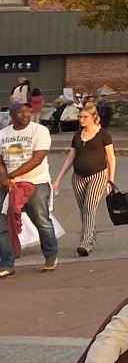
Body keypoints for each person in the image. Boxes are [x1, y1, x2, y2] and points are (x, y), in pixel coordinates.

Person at [0, 94, 59, 273]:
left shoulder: (39, 131)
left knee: (40, 219)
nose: (25, 115)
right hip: (8, 183)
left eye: (27, 111)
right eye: (20, 112)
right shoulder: (3, 134)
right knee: (2, 223)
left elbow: (38, 158)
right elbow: (0, 160)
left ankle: (50, 254)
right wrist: (3, 178)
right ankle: (7, 263)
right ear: (11, 115)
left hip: (36, 181)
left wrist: (12, 175)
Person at [59, 102, 118, 257]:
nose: (81, 120)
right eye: (80, 117)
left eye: (85, 117)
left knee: (90, 208)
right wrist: (58, 178)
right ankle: (91, 236)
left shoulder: (103, 134)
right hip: (78, 177)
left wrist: (110, 180)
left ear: (94, 118)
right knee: (83, 210)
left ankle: (85, 243)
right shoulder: (77, 136)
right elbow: (70, 157)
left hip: (97, 175)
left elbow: (111, 158)